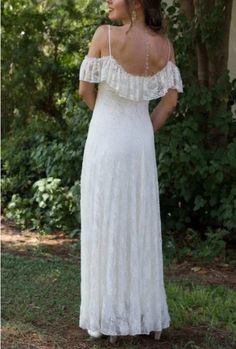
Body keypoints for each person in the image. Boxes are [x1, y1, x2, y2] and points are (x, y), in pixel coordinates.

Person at [78, 0, 183, 344]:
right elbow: (170, 101)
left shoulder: (105, 36)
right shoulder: (164, 46)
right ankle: (144, 313)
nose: (108, 0)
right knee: (138, 223)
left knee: (105, 221)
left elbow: (85, 89)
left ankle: (106, 317)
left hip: (106, 140)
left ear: (135, 1)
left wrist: (110, 119)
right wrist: (142, 130)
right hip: (140, 145)